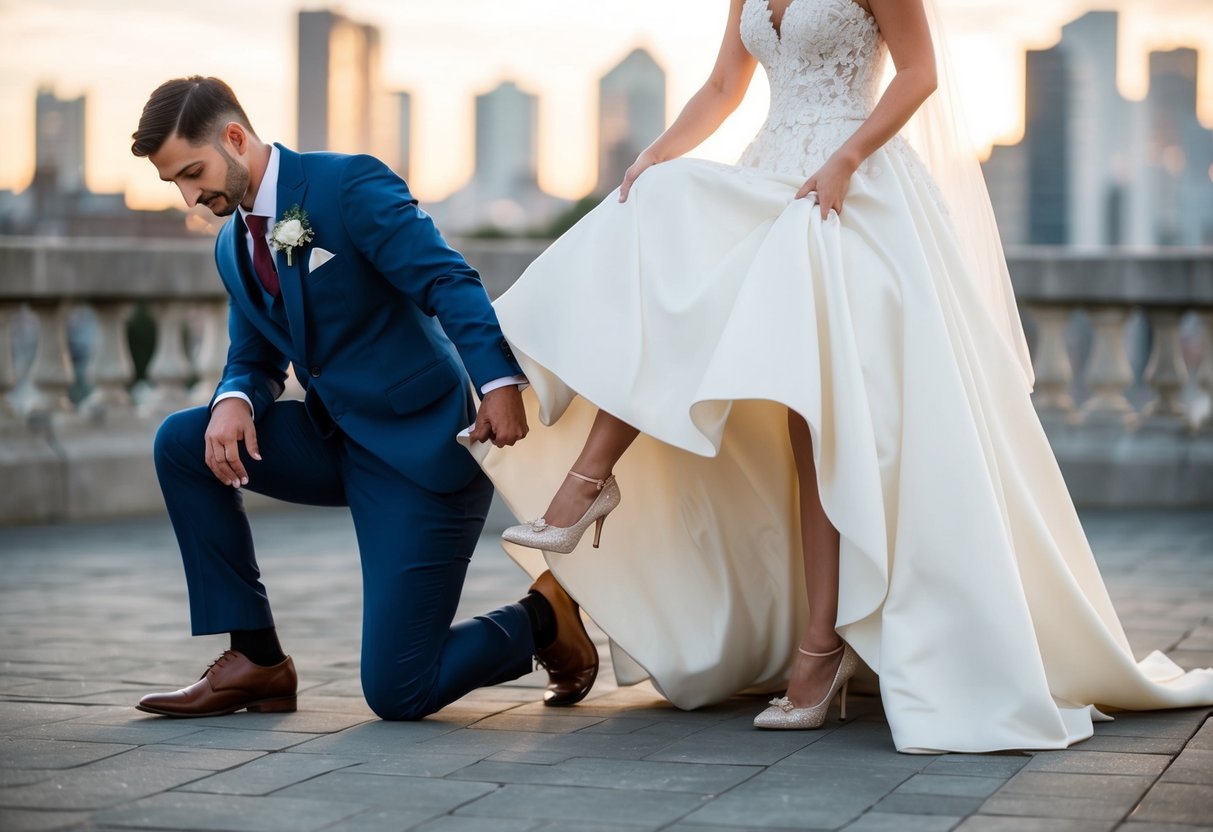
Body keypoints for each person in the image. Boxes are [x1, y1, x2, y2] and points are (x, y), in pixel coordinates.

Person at [466, 0, 1213, 752]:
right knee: (662, 246)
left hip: (847, 189)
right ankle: (590, 477)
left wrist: (847, 159)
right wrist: (654, 153)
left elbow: (918, 73)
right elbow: (724, 86)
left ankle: (820, 650)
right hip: (768, 175)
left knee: (815, 419)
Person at [130, 76, 598, 720]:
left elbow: (446, 277)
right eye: (173, 183)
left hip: (419, 455)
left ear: (235, 138)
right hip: (333, 440)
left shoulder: (345, 185)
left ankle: (544, 619)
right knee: (183, 443)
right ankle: (257, 658)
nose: (188, 196)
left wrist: (497, 382)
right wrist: (234, 397)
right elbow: (254, 355)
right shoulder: (229, 245)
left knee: (400, 691)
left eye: (193, 171)